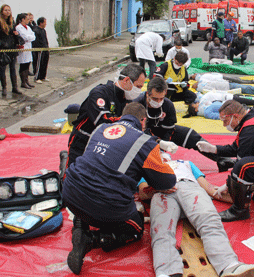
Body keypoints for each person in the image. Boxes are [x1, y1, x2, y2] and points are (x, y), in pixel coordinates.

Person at [62, 102, 178, 275]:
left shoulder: (101, 129)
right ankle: (91, 240)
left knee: (86, 188)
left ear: (122, 115)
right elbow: (167, 182)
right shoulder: (145, 142)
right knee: (136, 229)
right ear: (143, 121)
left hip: (70, 193)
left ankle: (79, 227)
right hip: (105, 203)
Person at [138, 154, 254, 277]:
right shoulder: (150, 167)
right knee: (160, 231)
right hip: (161, 193)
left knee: (210, 221)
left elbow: (208, 188)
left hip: (189, 188)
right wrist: (159, 187)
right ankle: (166, 272)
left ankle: (229, 265)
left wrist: (238, 198)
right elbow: (143, 192)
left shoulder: (186, 163)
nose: (163, 156)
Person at [67, 64, 146, 167]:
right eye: (138, 86)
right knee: (73, 176)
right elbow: (102, 122)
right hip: (83, 141)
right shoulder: (100, 93)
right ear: (126, 80)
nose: (139, 91)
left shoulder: (125, 99)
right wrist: (130, 120)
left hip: (105, 144)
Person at [133, 77, 221, 163]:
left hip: (161, 130)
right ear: (147, 94)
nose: (158, 101)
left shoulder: (168, 105)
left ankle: (221, 159)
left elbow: (169, 129)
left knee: (191, 135)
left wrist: (164, 146)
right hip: (141, 135)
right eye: (155, 99)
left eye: (161, 98)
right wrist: (158, 145)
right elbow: (136, 131)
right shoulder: (137, 105)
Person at [184, 90, 254, 119]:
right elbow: (219, 116)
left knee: (248, 101)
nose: (197, 103)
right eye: (195, 104)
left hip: (228, 101)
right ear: (196, 109)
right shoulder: (206, 111)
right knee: (250, 106)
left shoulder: (204, 105)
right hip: (230, 104)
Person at [0, 4, 22, 95]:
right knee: (2, 69)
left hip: (12, 48)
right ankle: (4, 88)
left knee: (13, 69)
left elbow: (13, 33)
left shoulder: (11, 22)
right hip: (3, 49)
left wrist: (16, 35)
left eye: (9, 10)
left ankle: (14, 87)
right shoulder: (0, 22)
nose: (7, 12)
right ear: (2, 11)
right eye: (5, 10)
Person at [190, 72, 254, 95]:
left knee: (243, 85)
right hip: (227, 87)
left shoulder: (202, 80)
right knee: (246, 88)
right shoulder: (202, 85)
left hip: (225, 83)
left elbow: (212, 75)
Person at [15, 13, 36, 89]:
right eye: (27, 19)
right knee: (23, 65)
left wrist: (29, 37)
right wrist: (30, 37)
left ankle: (27, 81)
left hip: (28, 47)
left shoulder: (28, 27)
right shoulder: (18, 27)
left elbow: (33, 36)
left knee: (27, 64)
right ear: (23, 19)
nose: (28, 20)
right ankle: (23, 82)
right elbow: (25, 37)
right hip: (23, 48)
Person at [32, 17, 49, 83]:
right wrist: (39, 49)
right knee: (38, 63)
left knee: (45, 63)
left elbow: (45, 40)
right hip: (39, 50)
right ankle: (37, 77)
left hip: (45, 49)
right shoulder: (36, 30)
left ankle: (43, 76)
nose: (46, 24)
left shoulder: (43, 30)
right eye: (45, 22)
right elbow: (36, 41)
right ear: (41, 23)